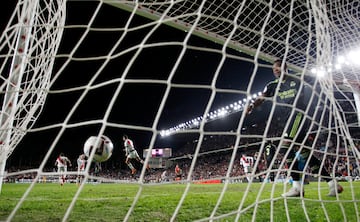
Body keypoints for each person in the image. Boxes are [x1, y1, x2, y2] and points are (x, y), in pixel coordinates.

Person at [246, 59, 343, 197]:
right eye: (274, 69)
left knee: (285, 148)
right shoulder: (272, 85)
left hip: (298, 116)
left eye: (278, 67)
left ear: (285, 67)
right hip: (287, 120)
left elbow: (318, 81)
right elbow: (262, 97)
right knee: (306, 155)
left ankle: (297, 187)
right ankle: (333, 184)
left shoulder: (297, 79)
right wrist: (251, 106)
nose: (276, 70)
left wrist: (340, 83)